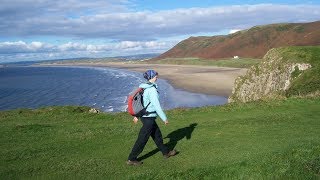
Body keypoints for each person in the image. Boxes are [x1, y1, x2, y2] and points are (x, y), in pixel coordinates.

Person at [127, 70, 176, 166]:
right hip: (148, 118)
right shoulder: (152, 90)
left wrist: (137, 115)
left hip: (147, 117)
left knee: (157, 136)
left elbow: (142, 103)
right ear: (151, 77)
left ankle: (166, 152)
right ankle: (131, 159)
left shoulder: (145, 87)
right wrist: (164, 118)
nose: (157, 77)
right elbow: (156, 106)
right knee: (142, 139)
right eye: (155, 76)